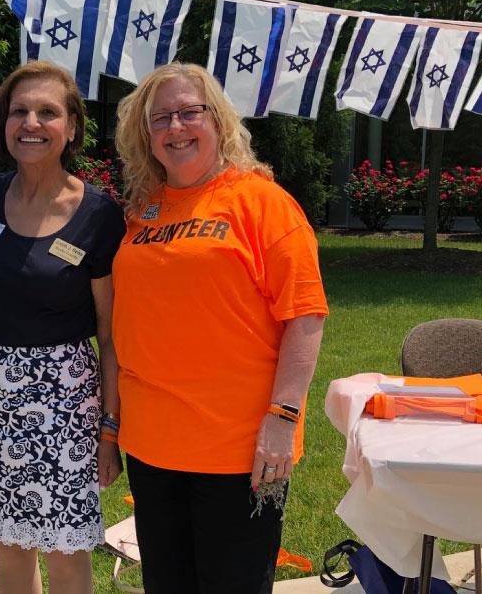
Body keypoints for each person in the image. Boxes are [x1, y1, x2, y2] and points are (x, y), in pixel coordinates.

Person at [109, 63, 329, 594]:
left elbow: (305, 316)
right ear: (146, 134)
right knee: (167, 583)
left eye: (190, 112)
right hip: (152, 443)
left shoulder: (262, 202)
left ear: (219, 121)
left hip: (239, 448)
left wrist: (284, 417)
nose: (176, 127)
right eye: (160, 117)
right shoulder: (144, 211)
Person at [0, 60, 126, 594]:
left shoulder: (98, 214)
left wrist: (109, 431)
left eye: (47, 112)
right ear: (3, 123)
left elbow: (111, 333)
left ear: (71, 126)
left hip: (66, 402)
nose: (31, 122)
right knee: (9, 545)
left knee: (68, 548)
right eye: (19, 111)